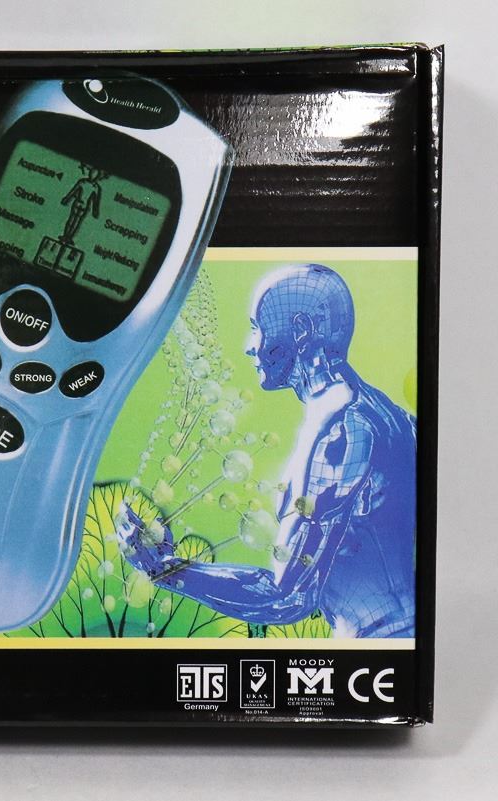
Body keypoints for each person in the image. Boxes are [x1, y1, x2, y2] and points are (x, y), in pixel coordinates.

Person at [119, 264, 417, 637]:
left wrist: (166, 569)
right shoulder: (392, 416)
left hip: (381, 640)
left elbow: (286, 597)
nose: (249, 345)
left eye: (257, 327)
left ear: (301, 330)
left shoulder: (341, 429)